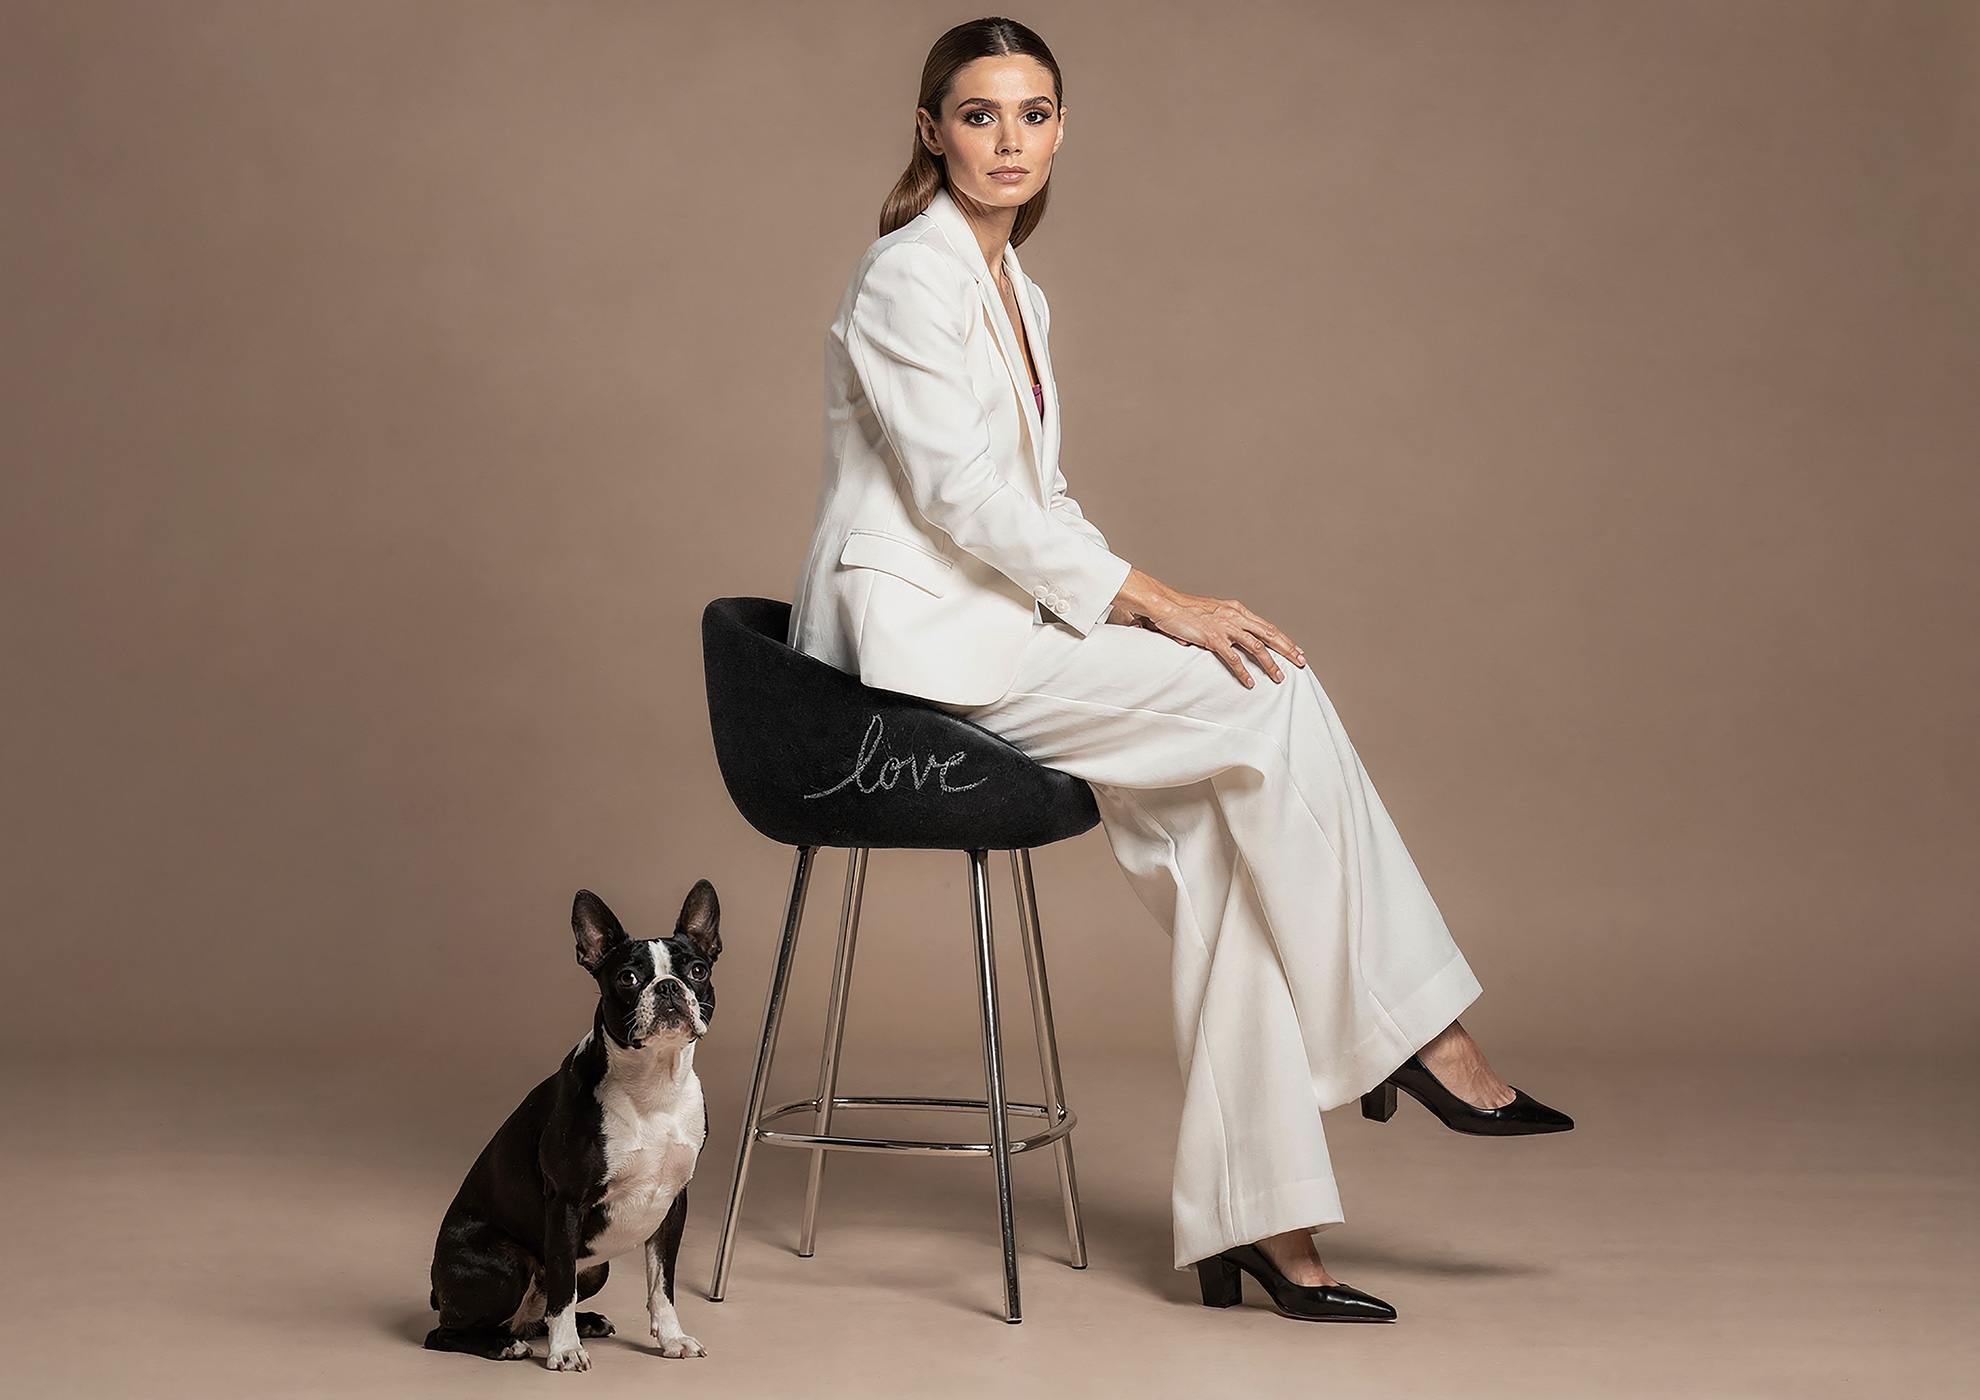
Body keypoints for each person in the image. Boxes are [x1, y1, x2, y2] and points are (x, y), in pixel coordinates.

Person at [787, 16, 1572, 1323]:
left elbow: (1047, 501)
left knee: (1225, 835)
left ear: (1061, 129)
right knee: (1269, 695)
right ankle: (1415, 1033)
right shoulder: (906, 278)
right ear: (930, 130)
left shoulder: (1015, 290)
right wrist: (1156, 600)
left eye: (1034, 114)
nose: (1009, 141)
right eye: (979, 115)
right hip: (922, 650)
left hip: (1010, 628)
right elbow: (965, 500)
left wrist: (1140, 610)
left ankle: (1263, 1227)